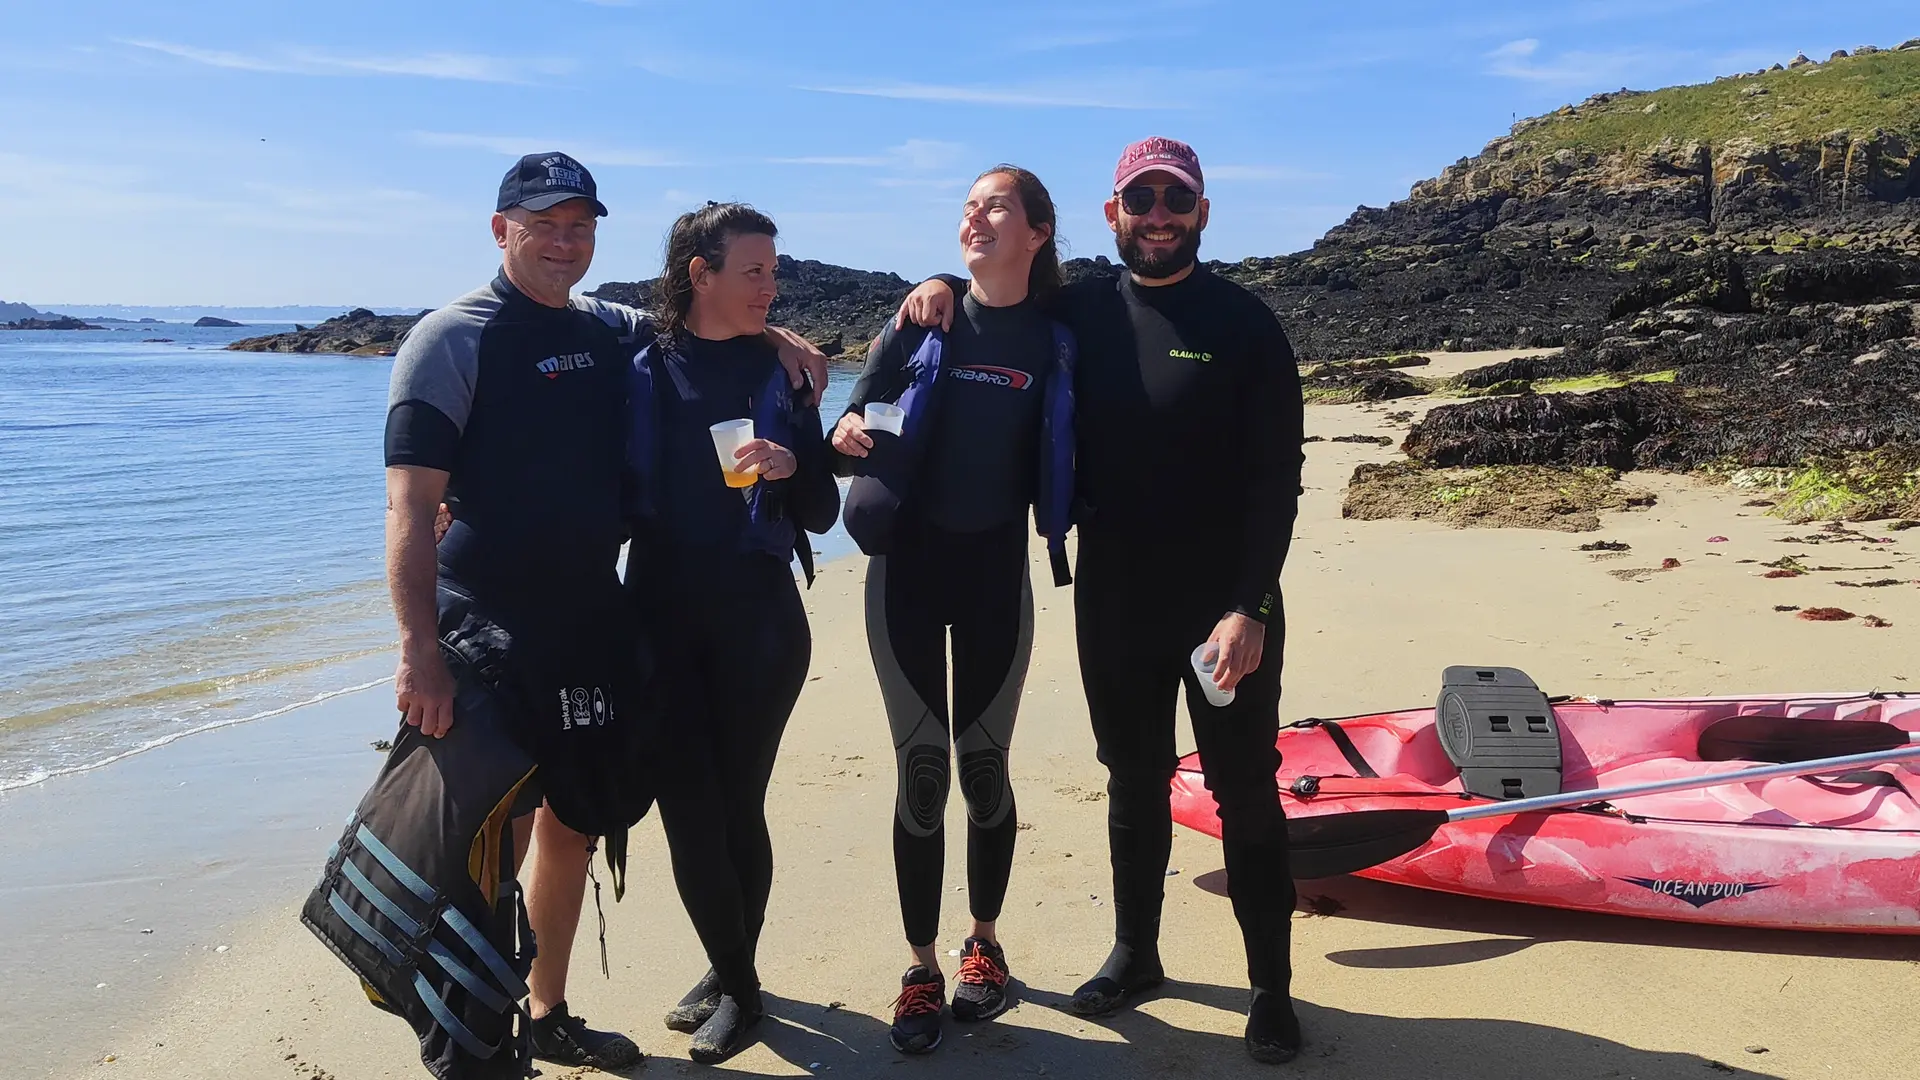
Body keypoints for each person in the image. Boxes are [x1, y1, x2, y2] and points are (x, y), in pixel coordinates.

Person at [309, 153, 829, 1078]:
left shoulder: (608, 328)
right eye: (544, 222)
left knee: (573, 822)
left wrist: (779, 338)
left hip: (591, 615)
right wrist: (417, 649)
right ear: (500, 228)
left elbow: (705, 324)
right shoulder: (449, 338)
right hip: (487, 623)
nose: (564, 241)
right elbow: (406, 508)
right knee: (490, 827)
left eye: (580, 225)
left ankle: (546, 1010)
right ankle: (474, 1028)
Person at [893, 137, 1308, 1064]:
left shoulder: (1245, 324)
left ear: (1201, 212)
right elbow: (994, 296)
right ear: (1112, 212)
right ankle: (1137, 953)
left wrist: (1250, 607)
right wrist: (935, 286)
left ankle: (1270, 988)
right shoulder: (1075, 308)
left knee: (1245, 792)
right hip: (1115, 591)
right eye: (1139, 199)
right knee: (1132, 777)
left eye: (1175, 199)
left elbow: (1277, 479)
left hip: (1224, 609)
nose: (1157, 215)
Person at [830, 166, 1077, 1055]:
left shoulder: (1057, 334)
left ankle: (986, 949)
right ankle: (922, 967)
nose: (975, 217)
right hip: (906, 571)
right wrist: (844, 429)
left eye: (996, 206)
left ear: (1038, 232)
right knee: (922, 772)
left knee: (984, 768)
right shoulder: (924, 317)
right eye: (968, 206)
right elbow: (858, 411)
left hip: (992, 575)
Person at [622, 202, 840, 1065]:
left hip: (759, 620)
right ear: (697, 273)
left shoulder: (783, 374)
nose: (770, 286)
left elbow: (823, 511)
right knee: (686, 812)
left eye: (774, 272)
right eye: (753, 271)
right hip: (659, 614)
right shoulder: (635, 363)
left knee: (737, 805)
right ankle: (735, 973)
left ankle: (736, 985)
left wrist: (793, 467)